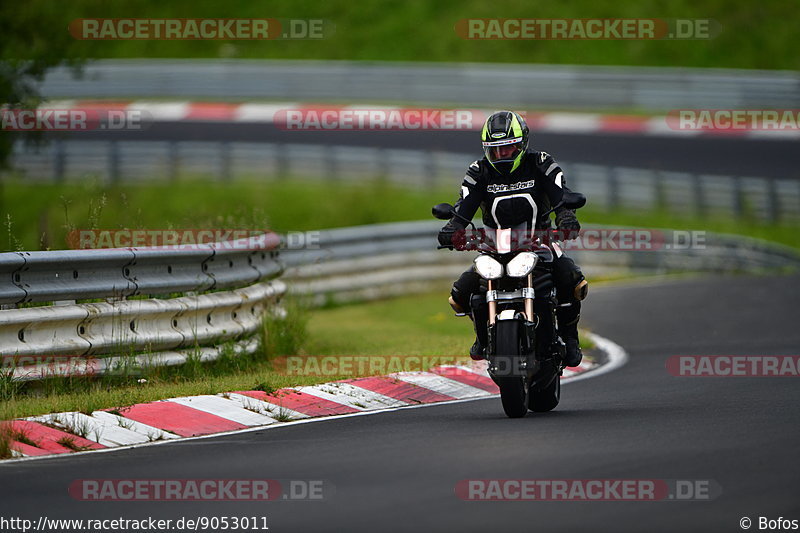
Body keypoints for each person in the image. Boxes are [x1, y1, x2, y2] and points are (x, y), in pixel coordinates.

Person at [437, 110, 588, 367]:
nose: (502, 154)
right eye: (496, 150)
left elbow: (561, 195)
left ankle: (570, 337)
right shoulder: (478, 170)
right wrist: (453, 229)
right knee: (460, 294)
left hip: (539, 243)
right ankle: (483, 337)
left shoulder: (541, 162)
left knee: (572, 279)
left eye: (508, 148)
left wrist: (566, 216)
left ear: (522, 143)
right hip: (493, 248)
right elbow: (464, 207)